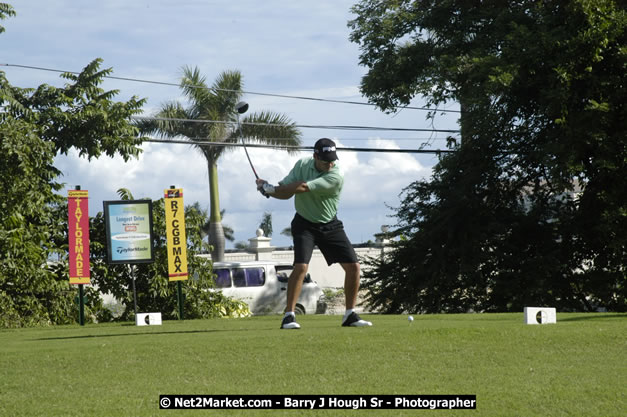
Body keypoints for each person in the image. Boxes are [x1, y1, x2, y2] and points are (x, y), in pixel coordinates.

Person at [256, 138, 372, 329]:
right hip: (304, 224)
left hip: (330, 224)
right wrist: (268, 190)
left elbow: (301, 187)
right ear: (315, 156)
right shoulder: (302, 164)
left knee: (354, 267)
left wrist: (272, 189)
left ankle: (350, 315)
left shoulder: (336, 175)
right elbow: (285, 192)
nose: (330, 163)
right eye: (326, 160)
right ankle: (289, 316)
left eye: (332, 159)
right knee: (301, 267)